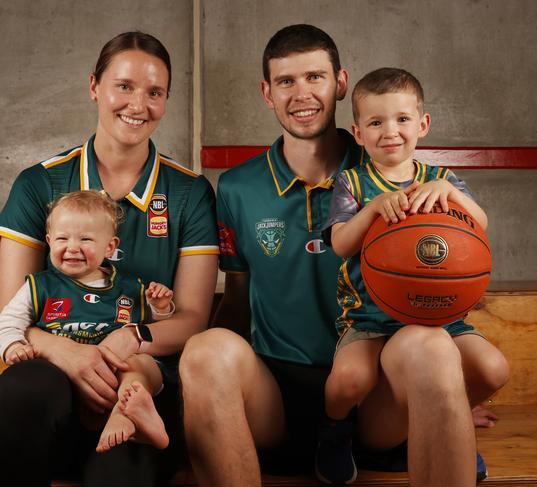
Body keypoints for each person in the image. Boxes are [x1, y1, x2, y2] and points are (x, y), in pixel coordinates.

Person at [179, 24, 506, 487]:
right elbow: (236, 299)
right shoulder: (237, 187)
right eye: (286, 81)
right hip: (276, 392)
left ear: (340, 82)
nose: (302, 93)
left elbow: (446, 265)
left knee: (432, 347)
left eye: (315, 77)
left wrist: (445, 392)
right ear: (267, 92)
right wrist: (199, 391)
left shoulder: (389, 167)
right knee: (206, 350)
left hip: (374, 393)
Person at [0, 31, 219, 487]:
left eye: (154, 92)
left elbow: (192, 319)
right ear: (95, 87)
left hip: (138, 392)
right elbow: (13, 311)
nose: (138, 104)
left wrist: (131, 339)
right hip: (52, 391)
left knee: (123, 464)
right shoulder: (39, 183)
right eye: (123, 86)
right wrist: (68, 352)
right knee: (26, 385)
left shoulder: (189, 193)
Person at [316, 67, 509, 485]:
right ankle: (333, 434)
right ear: (358, 131)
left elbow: (481, 224)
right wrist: (373, 209)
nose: (391, 131)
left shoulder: (442, 181)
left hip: (438, 313)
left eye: (402, 119)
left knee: (494, 369)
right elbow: (342, 243)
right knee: (348, 380)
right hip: (369, 318)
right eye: (375, 122)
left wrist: (454, 196)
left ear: (422, 124)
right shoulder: (351, 183)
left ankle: (452, 417)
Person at [0, 190, 177, 452]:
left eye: (86, 239)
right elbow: (6, 323)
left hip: (117, 377)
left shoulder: (130, 287)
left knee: (140, 363)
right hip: (68, 378)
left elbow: (155, 323)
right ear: (49, 241)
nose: (72, 247)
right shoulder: (40, 286)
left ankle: (129, 416)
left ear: (110, 247)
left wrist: (160, 306)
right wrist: (13, 347)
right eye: (62, 238)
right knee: (42, 376)